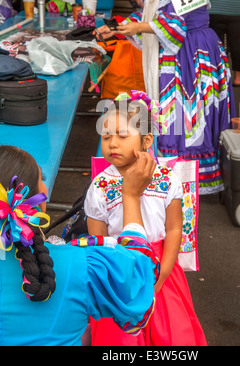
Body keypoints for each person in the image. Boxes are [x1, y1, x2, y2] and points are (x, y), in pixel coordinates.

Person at [96, 0, 235, 195]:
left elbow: (173, 27)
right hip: (180, 57)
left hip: (190, 61)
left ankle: (183, 184)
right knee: (176, 118)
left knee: (184, 118)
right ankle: (175, 182)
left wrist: (137, 28)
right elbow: (147, 19)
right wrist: (116, 28)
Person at [0, 145, 159, 346]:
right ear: (35, 200)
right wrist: (131, 197)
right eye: (42, 179)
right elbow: (137, 276)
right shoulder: (79, 264)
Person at [84, 92, 207, 346]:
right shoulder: (100, 186)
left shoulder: (167, 179)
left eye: (122, 136)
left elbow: (174, 230)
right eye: (106, 137)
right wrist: (118, 283)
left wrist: (161, 276)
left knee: (171, 335)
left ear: (146, 140)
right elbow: (97, 242)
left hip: (162, 270)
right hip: (119, 274)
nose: (112, 144)